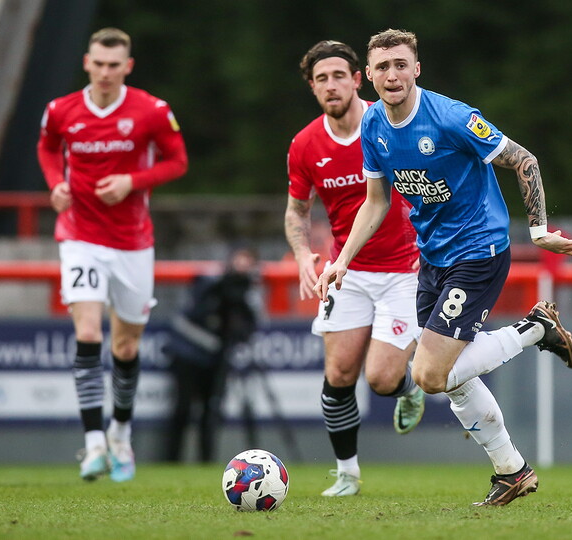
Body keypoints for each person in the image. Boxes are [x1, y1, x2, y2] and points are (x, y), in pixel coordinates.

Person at [315, 29, 572, 507]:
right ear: (371, 77)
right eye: (382, 67)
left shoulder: (452, 118)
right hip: (433, 259)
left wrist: (540, 229)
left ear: (416, 68)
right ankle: (512, 471)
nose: (392, 75)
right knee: (452, 376)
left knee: (427, 375)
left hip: (478, 251)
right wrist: (341, 260)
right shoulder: (375, 126)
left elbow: (524, 160)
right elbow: (376, 201)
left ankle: (532, 330)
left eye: (400, 64)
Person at [36, 27, 188, 481]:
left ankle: (120, 432)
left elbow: (176, 161)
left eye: (113, 65)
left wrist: (131, 182)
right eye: (98, 64)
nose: (105, 72)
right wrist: (56, 185)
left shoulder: (152, 110)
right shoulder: (60, 110)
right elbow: (47, 148)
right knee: (88, 333)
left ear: (127, 66)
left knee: (125, 344)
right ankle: (93, 443)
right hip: (80, 236)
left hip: (132, 242)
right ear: (87, 63)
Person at [284, 40, 426, 497]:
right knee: (340, 373)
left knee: (381, 379)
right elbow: (296, 211)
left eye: (338, 75)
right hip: (347, 271)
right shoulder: (305, 144)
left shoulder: (386, 122)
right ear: (312, 86)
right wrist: (303, 254)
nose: (331, 85)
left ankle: (410, 387)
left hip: (405, 268)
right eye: (321, 79)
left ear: (357, 78)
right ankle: (347, 474)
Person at [162, 246, 262, 463]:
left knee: (212, 411)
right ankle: (171, 460)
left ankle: (206, 460)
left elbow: (248, 328)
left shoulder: (246, 295)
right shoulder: (211, 282)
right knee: (182, 409)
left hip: (217, 360)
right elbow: (196, 309)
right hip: (188, 355)